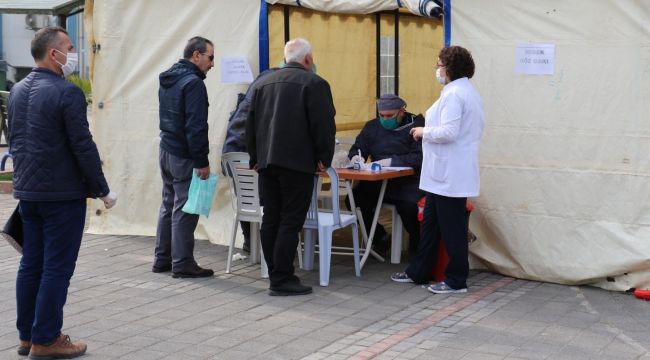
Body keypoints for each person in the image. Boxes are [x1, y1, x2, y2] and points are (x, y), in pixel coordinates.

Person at [8, 26, 116, 358]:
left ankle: (28, 336)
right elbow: (82, 146)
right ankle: (47, 338)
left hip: (28, 192)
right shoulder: (65, 93)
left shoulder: (16, 90)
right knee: (56, 267)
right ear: (53, 54)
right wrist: (102, 189)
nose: (73, 54)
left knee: (31, 264)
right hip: (61, 195)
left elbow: (16, 141)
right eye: (69, 48)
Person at [391, 45, 485, 294]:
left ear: (450, 68)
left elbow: (449, 132)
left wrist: (423, 132)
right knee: (430, 224)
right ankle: (419, 271)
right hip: (441, 174)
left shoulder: (456, 94)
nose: (437, 68)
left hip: (450, 174)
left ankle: (456, 280)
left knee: (452, 228)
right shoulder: (460, 92)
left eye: (439, 64)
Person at [246, 38, 336, 296]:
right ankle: (282, 277)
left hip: (266, 162)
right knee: (291, 219)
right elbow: (323, 125)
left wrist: (254, 156)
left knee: (272, 217)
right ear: (307, 59)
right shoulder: (315, 83)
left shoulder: (262, 83)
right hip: (297, 163)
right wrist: (324, 158)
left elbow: (249, 123)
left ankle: (276, 274)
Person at [154, 36, 214, 278]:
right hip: (184, 155)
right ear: (196, 55)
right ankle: (182, 263)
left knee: (169, 204)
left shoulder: (169, 77)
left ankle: (162, 259)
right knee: (184, 209)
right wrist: (201, 161)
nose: (212, 63)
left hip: (166, 148)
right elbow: (196, 126)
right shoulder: (194, 84)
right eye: (210, 57)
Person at [348, 94, 425, 257]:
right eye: (382, 115)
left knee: (410, 207)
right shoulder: (372, 127)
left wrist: (391, 162)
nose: (385, 119)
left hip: (408, 182)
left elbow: (419, 158)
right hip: (378, 180)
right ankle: (379, 237)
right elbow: (358, 148)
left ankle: (418, 248)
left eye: (390, 116)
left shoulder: (417, 127)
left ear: (402, 111)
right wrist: (357, 157)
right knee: (354, 199)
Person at [222, 67, 279, 254]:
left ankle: (252, 243)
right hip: (244, 155)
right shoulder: (264, 96)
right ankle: (260, 244)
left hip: (234, 154)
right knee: (261, 199)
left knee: (247, 200)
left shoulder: (255, 90)